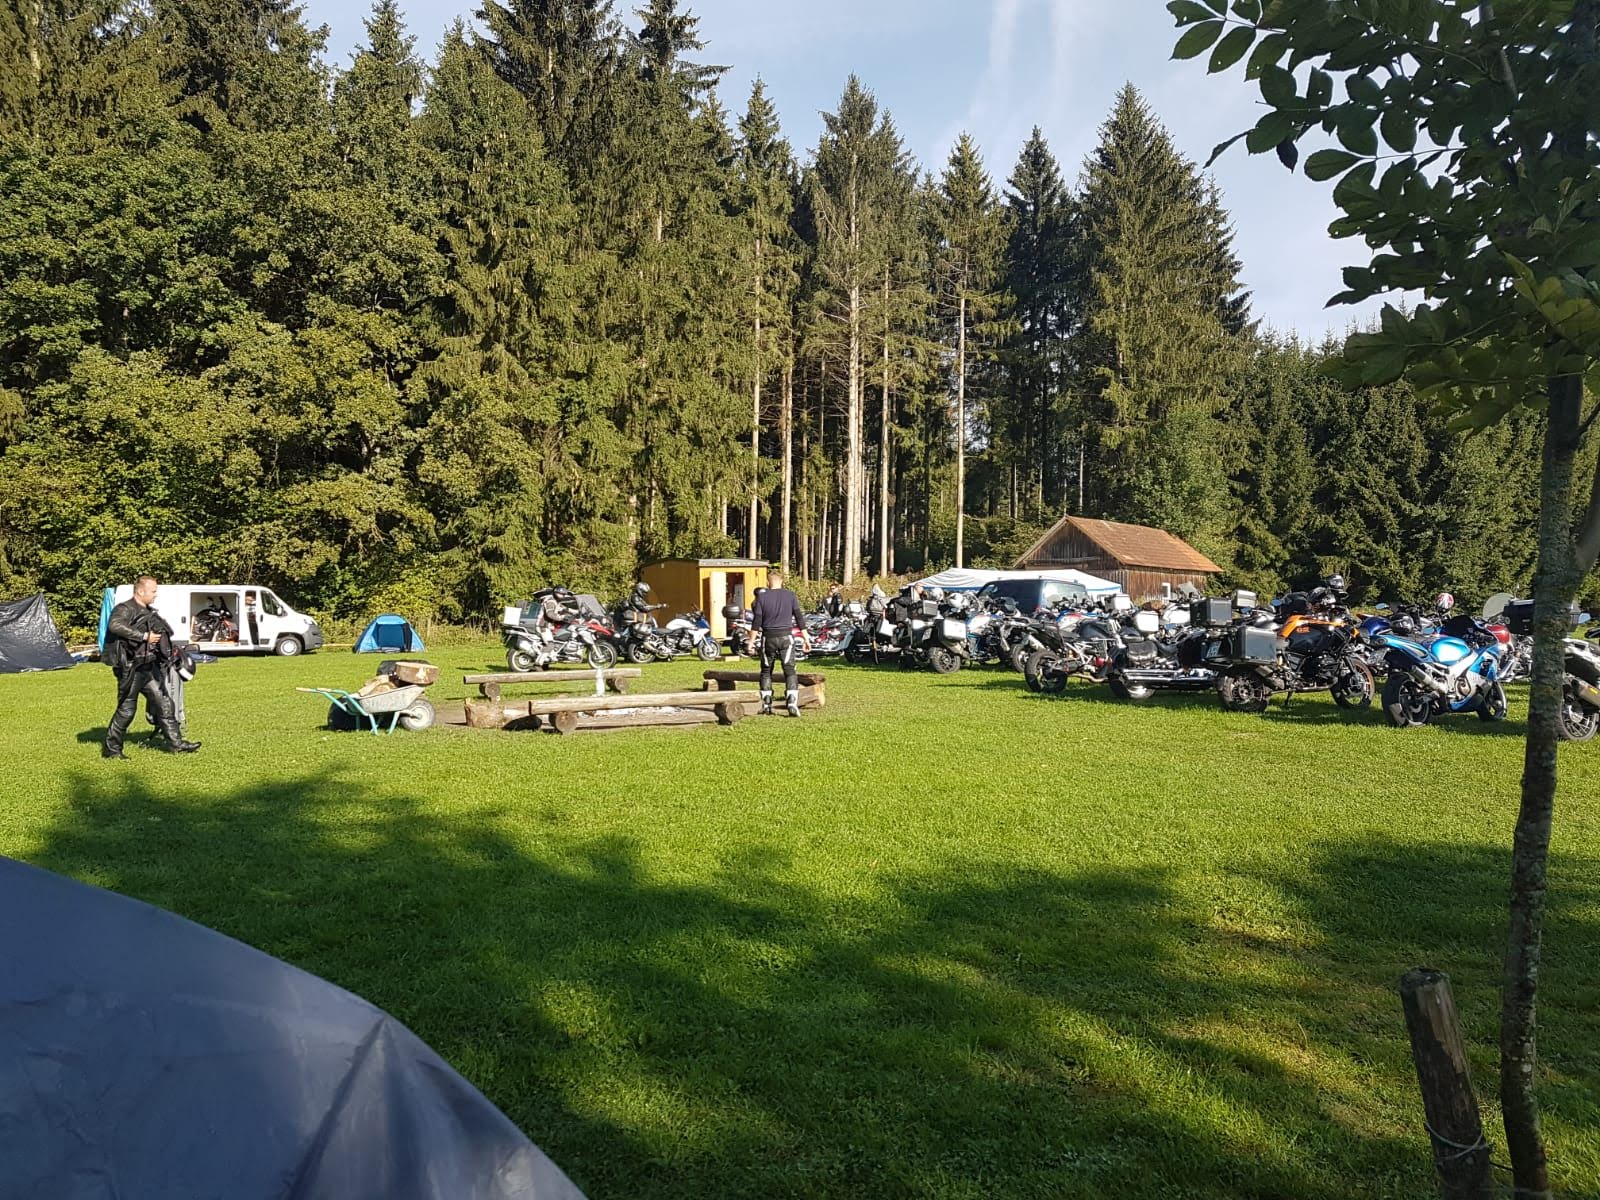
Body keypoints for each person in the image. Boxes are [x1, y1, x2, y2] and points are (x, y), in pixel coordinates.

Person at [103, 575, 200, 758]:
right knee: (127, 709)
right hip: (131, 668)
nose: (156, 594)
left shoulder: (149, 611)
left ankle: (177, 744)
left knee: (164, 703)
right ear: (141, 591)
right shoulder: (125, 608)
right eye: (153, 591)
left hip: (148, 667)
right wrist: (143, 636)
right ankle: (112, 749)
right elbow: (115, 625)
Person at [750, 570, 805, 717]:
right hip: (786, 637)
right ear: (782, 581)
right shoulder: (790, 595)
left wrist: (751, 642)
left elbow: (756, 622)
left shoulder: (762, 597)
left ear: (768, 582)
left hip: (768, 638)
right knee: (790, 670)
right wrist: (806, 638)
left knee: (766, 671)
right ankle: (792, 702)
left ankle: (767, 704)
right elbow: (799, 617)